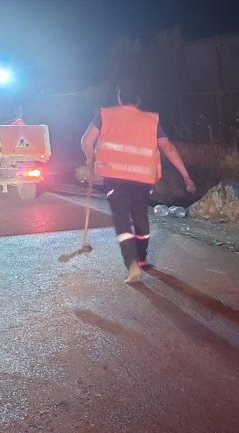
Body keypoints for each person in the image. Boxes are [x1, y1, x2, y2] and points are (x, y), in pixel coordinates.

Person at [81, 80, 196, 283]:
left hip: (114, 178)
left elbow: (86, 141)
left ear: (119, 98)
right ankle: (142, 257)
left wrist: (90, 162)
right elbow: (168, 149)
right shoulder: (151, 120)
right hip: (142, 180)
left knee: (121, 220)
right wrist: (186, 176)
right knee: (141, 219)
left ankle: (132, 264)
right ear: (139, 100)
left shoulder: (105, 114)